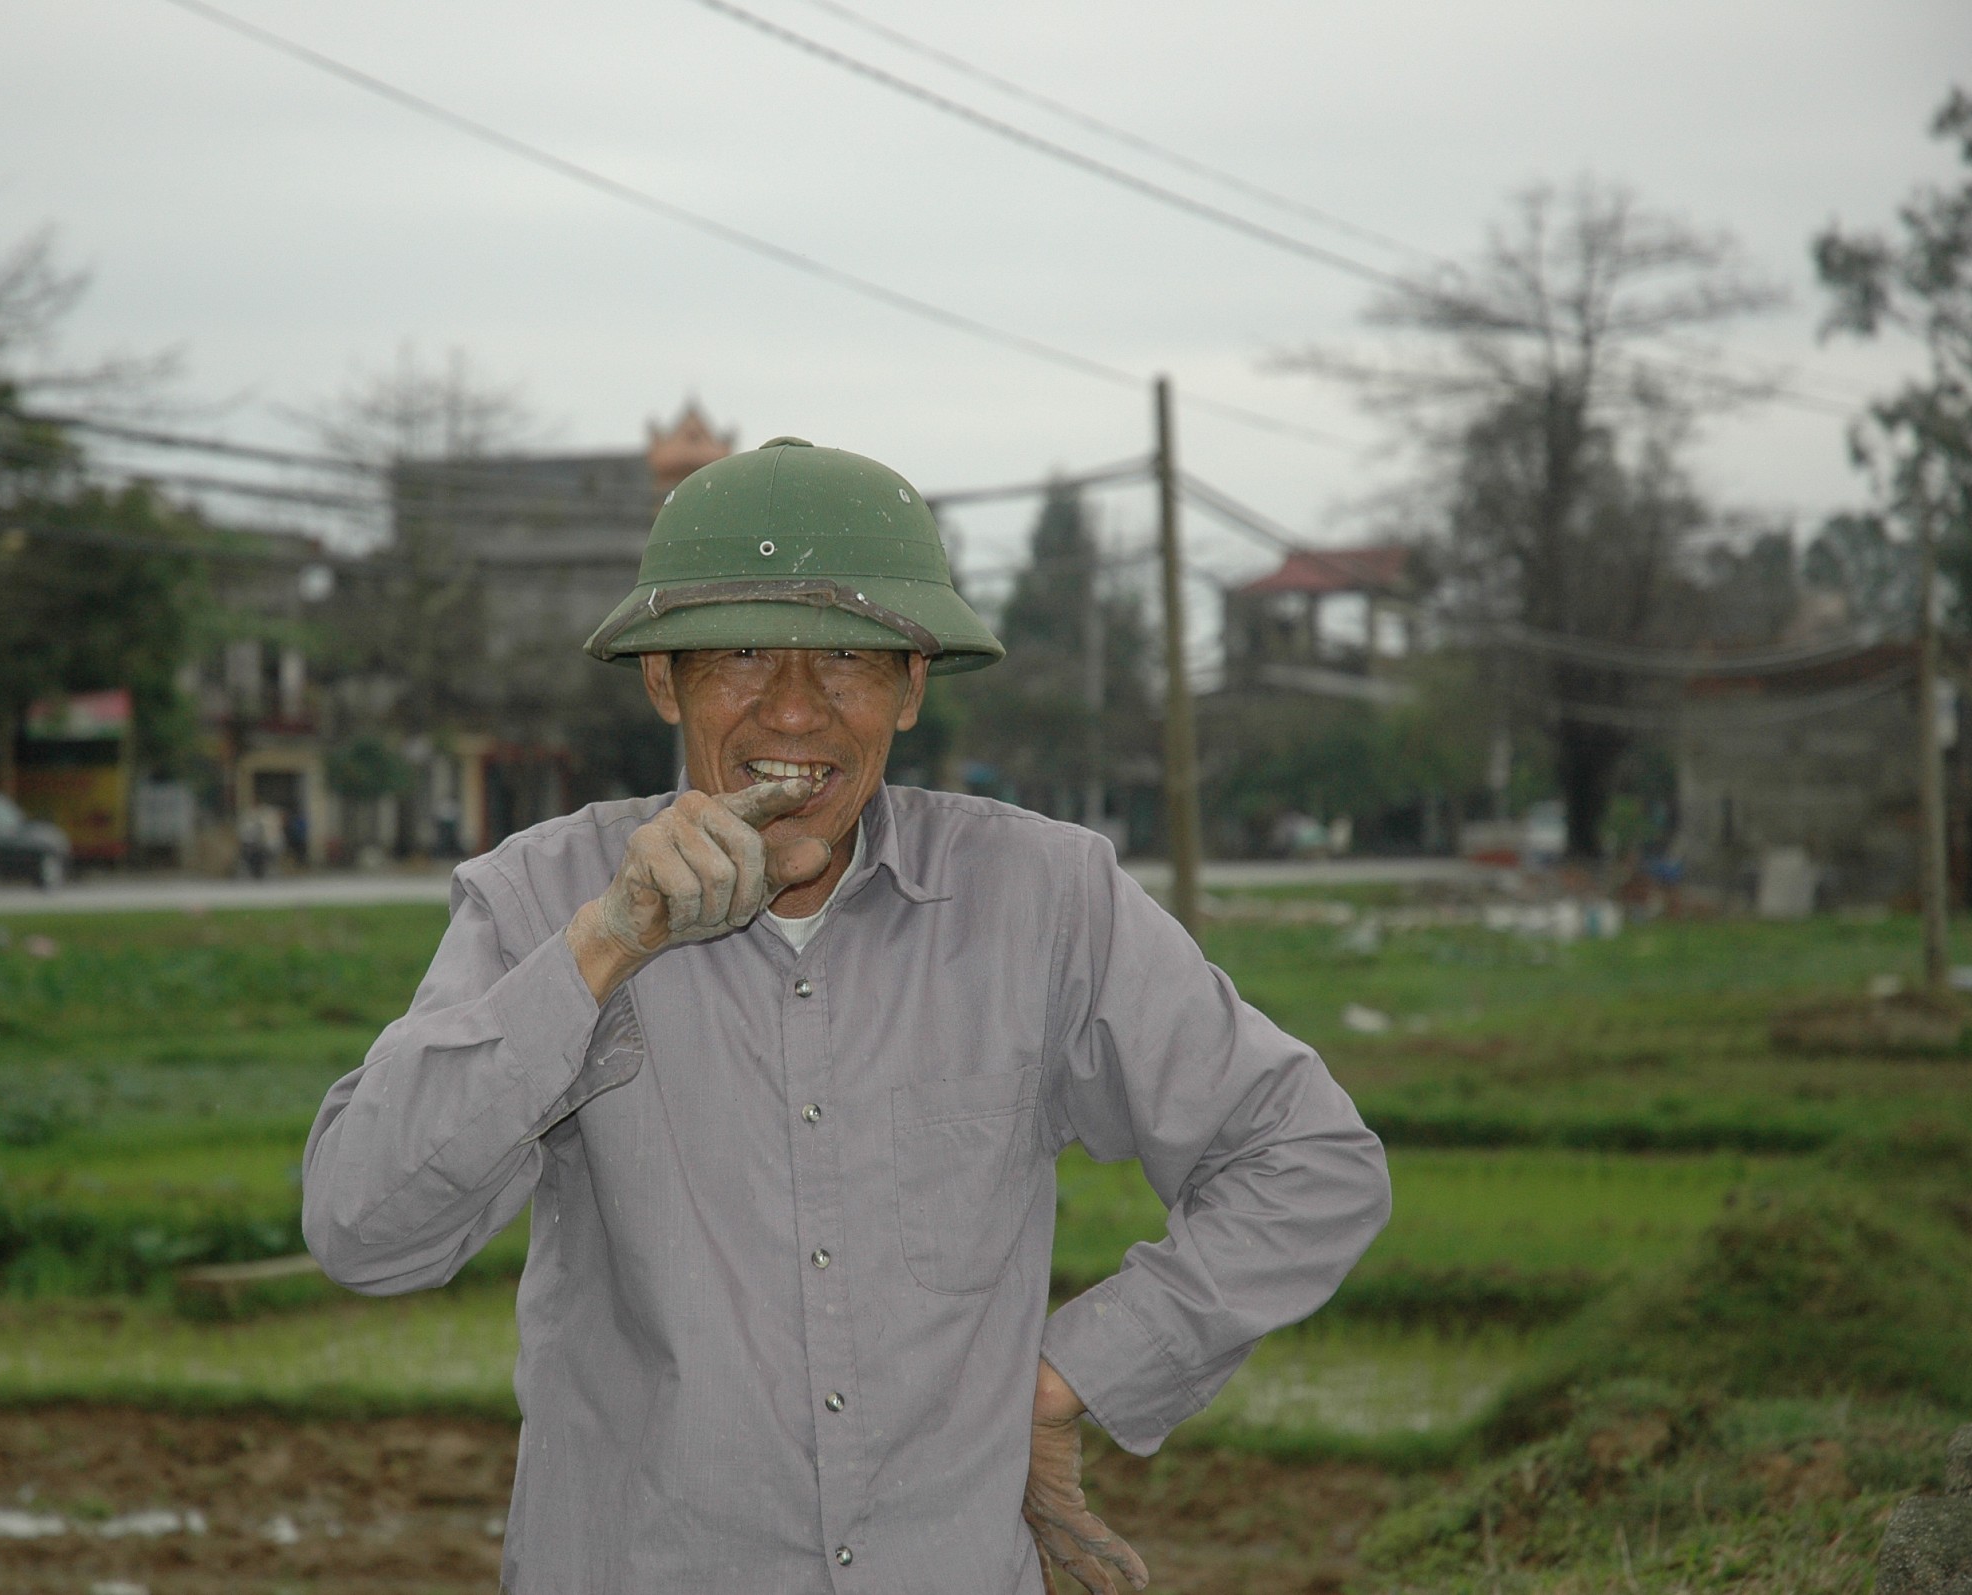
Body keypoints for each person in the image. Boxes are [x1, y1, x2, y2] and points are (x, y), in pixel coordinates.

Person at [302, 438, 1391, 1592]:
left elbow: (1308, 1159)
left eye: (848, 659)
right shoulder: (539, 896)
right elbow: (366, 1231)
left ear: (912, 685)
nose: (793, 707)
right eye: (742, 653)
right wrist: (605, 943)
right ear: (663, 678)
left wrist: (1071, 1379)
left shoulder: (1044, 898)